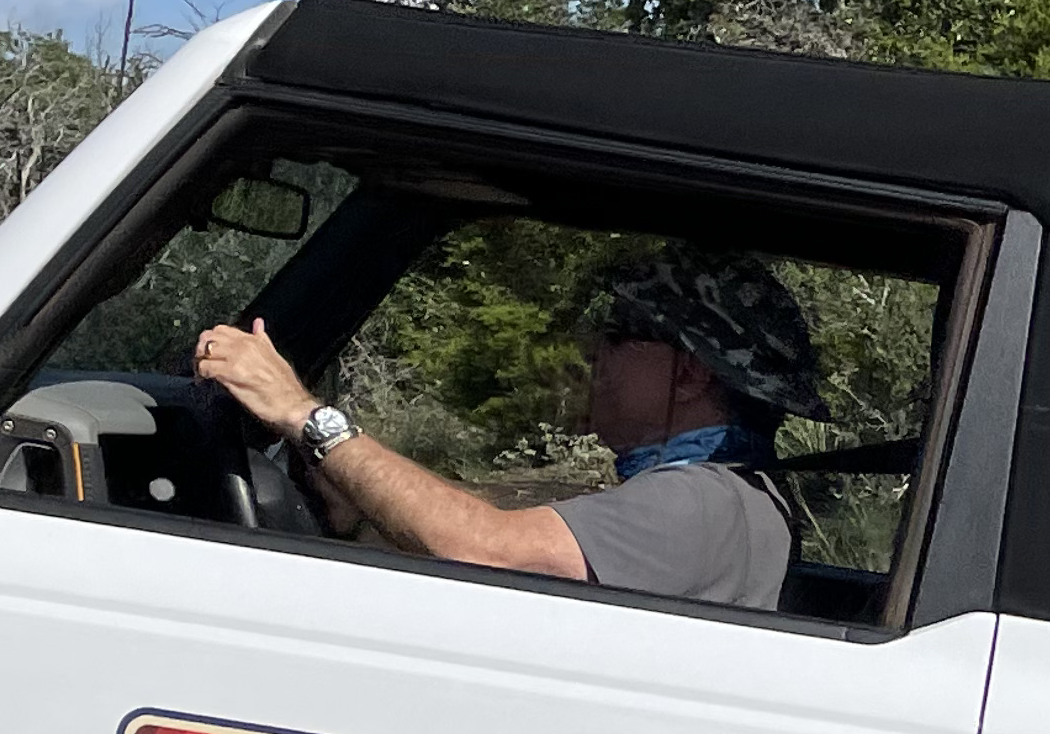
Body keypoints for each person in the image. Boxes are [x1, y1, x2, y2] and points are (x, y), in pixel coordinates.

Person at [196, 246, 829, 613]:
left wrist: (305, 416)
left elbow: (488, 549)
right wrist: (361, 522)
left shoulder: (697, 500)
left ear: (688, 374)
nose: (594, 352)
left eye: (619, 334)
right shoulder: (737, 493)